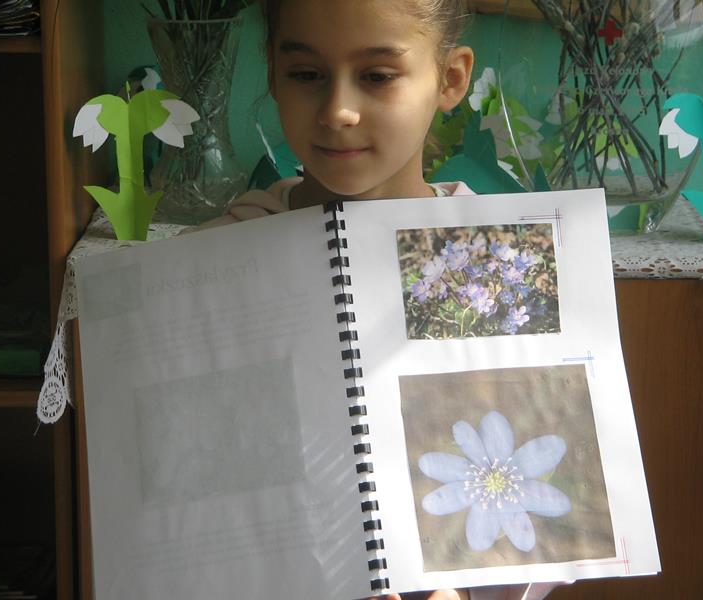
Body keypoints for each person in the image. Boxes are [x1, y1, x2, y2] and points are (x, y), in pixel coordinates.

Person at [196, 1, 563, 599]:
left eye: (377, 75)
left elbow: (542, 477)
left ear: (450, 79)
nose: (337, 110)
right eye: (306, 74)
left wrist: (464, 592)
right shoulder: (215, 263)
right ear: (273, 74)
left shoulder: (502, 265)